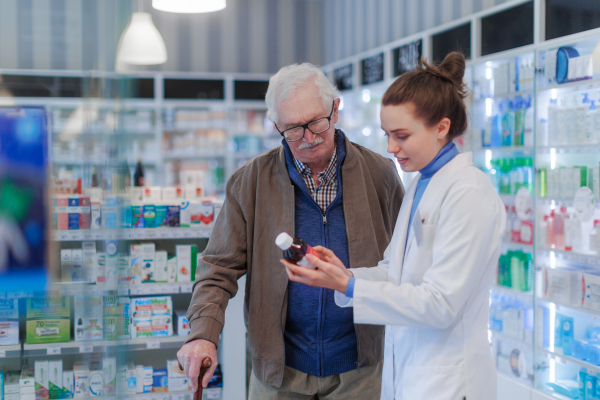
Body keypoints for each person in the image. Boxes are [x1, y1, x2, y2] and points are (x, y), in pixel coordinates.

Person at [282, 52, 506, 400]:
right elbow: (396, 272)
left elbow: (440, 303)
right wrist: (345, 276)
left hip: (450, 382)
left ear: (441, 127)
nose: (390, 148)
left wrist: (351, 287)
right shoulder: (420, 182)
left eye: (401, 135)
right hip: (411, 374)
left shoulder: (469, 193)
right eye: (387, 134)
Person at [177, 62, 405, 399]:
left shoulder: (380, 173)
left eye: (316, 123)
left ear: (336, 110)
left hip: (361, 368)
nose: (309, 139)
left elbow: (405, 259)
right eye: (294, 129)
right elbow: (217, 268)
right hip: (278, 371)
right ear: (275, 126)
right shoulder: (251, 182)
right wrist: (202, 334)